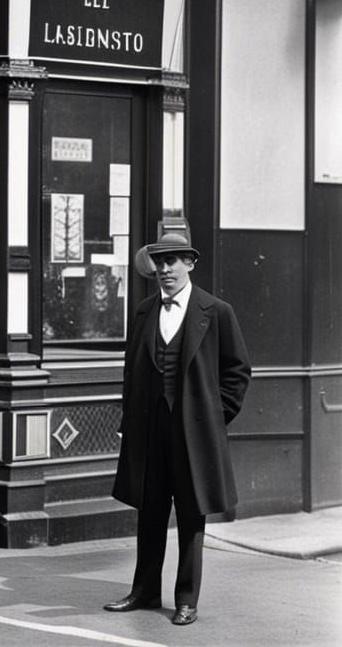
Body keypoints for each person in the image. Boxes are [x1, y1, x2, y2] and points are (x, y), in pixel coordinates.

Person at [105, 230, 251, 626]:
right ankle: (145, 591)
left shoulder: (217, 311)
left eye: (173, 261)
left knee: (191, 516)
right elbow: (131, 374)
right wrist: (130, 421)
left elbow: (237, 372)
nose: (165, 269)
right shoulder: (143, 311)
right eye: (159, 262)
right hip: (151, 432)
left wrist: (215, 418)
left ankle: (186, 598)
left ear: (190, 263)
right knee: (149, 512)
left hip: (194, 436)